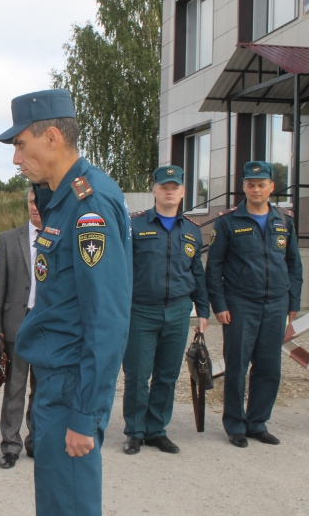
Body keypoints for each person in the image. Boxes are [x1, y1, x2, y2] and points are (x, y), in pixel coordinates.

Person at [0, 89, 132, 516]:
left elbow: (106, 318)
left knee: (70, 504)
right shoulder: (62, 200)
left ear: (52, 137)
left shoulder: (89, 206)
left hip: (72, 384)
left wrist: (85, 414)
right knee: (56, 502)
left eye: (21, 145)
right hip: (55, 381)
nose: (16, 159)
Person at [205, 160, 302, 448]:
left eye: (262, 184)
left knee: (269, 366)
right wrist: (219, 304)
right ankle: (235, 425)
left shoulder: (284, 220)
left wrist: (292, 301)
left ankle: (258, 422)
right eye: (251, 184)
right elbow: (215, 267)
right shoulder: (228, 222)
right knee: (237, 367)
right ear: (244, 187)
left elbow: (294, 264)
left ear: (272, 187)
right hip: (240, 304)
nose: (256, 189)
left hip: (276, 304)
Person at [122, 165, 210, 456]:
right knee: (137, 374)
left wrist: (204, 312)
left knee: (167, 375)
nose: (169, 191)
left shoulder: (192, 232)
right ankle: (135, 431)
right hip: (141, 311)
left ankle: (156, 429)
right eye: (164, 186)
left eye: (175, 187)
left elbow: (198, 274)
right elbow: (122, 271)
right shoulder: (135, 226)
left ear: (183, 191)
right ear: (154, 190)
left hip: (178, 312)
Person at [0, 188, 40, 469]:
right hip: (16, 327)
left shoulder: (60, 238)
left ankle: (37, 442)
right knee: (14, 389)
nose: (35, 207)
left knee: (42, 391)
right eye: (32, 202)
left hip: (47, 330)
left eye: (40, 202)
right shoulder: (9, 239)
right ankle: (10, 446)